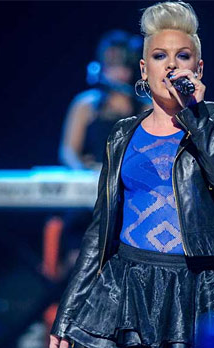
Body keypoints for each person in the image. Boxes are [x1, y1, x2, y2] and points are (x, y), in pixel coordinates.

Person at [48, 1, 214, 348]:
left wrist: (195, 115)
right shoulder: (122, 135)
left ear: (198, 66)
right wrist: (67, 317)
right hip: (128, 291)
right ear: (144, 67)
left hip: (192, 292)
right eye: (160, 56)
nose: (171, 65)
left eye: (182, 56)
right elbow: (100, 233)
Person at [58, 30, 151, 275]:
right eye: (111, 65)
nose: (117, 72)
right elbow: (68, 151)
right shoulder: (86, 104)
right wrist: (85, 173)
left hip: (129, 193)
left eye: (122, 65)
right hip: (89, 192)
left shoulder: (143, 106)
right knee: (78, 260)